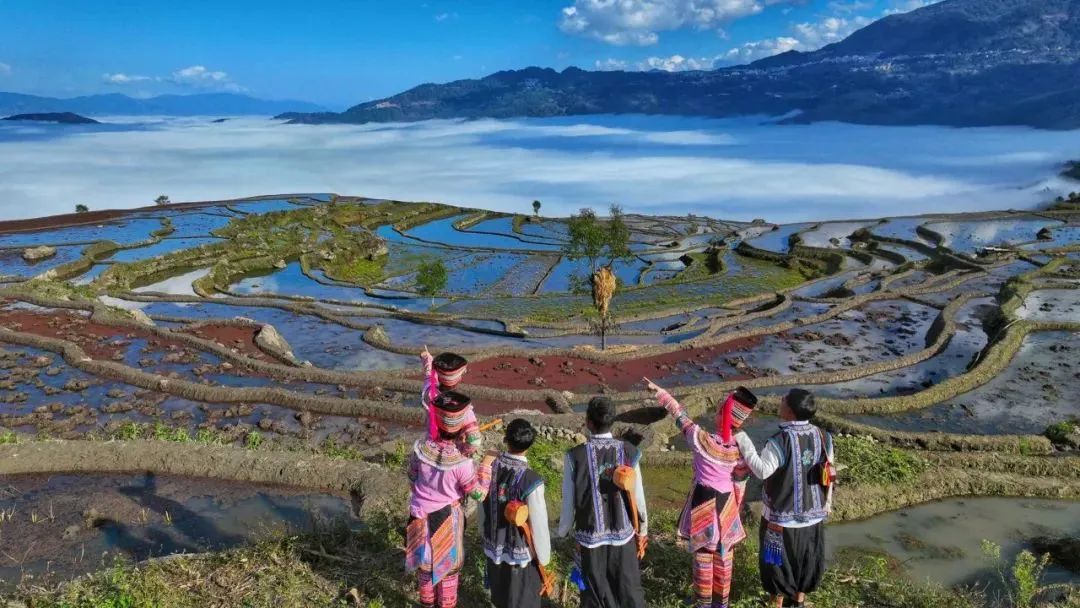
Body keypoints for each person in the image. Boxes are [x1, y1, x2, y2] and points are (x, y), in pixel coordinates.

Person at [646, 378, 757, 608]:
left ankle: (703, 603)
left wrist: (661, 392)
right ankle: (720, 603)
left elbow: (680, 415)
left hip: (704, 505)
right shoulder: (740, 451)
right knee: (724, 557)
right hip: (727, 507)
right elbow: (740, 483)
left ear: (723, 417)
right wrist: (735, 509)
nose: (716, 414)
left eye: (719, 411)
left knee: (703, 556)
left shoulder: (703, 440)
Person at [734, 388, 835, 608]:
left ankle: (776, 602)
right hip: (813, 517)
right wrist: (827, 504)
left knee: (776, 564)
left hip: (780, 519)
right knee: (806, 559)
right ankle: (798, 602)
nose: (780, 400)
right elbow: (830, 473)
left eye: (784, 399)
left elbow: (762, 471)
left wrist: (742, 438)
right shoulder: (824, 437)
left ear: (790, 411)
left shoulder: (780, 440)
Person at [557, 396, 648, 608]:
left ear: (588, 422)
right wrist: (642, 530)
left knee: (595, 595)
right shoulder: (628, 451)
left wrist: (563, 531)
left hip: (590, 537)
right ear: (612, 421)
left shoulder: (575, 456)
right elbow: (638, 496)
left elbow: (568, 501)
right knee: (627, 591)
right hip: (623, 536)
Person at [405, 390, 494, 608]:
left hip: (419, 514)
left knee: (425, 567)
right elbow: (479, 494)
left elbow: (412, 477)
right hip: (446, 518)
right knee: (447, 571)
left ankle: (427, 604)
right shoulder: (462, 463)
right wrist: (485, 466)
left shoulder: (421, 449)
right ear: (460, 429)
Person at [477, 418, 553, 608]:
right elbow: (538, 524)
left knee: (500, 598)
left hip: (493, 546)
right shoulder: (531, 480)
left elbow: (481, 505)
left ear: (506, 439)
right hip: (520, 555)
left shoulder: (489, 467)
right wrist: (543, 557)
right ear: (529, 445)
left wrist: (483, 532)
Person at [421, 346, 482, 456]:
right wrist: (462, 451)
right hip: (452, 452)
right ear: (459, 378)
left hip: (430, 447)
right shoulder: (462, 408)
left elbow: (428, 374)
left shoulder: (429, 392)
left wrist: (427, 358)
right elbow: (475, 441)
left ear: (438, 375)